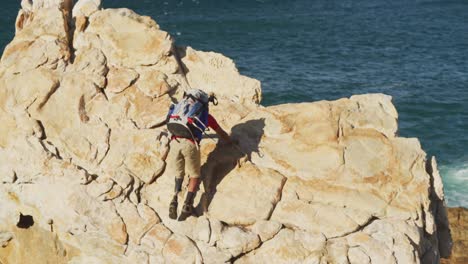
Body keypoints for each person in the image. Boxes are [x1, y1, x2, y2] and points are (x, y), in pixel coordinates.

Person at [165, 89, 234, 221]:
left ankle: (174, 200)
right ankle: (187, 206)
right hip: (190, 145)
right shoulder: (205, 117)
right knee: (195, 175)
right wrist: (231, 141)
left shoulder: (179, 110)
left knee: (179, 174)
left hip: (174, 142)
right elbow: (221, 133)